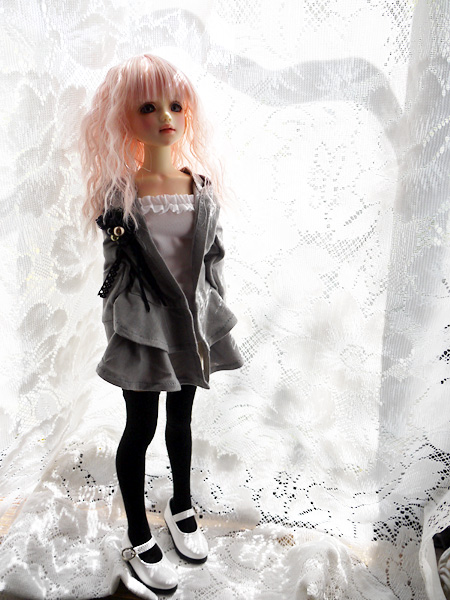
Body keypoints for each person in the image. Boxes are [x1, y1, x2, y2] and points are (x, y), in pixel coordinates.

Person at [78, 54, 243, 595]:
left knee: (182, 420)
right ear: (125, 120)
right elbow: (116, 273)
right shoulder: (121, 194)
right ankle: (136, 532)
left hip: (191, 323)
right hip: (145, 327)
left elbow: (211, 257)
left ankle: (181, 504)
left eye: (175, 105)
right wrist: (121, 325)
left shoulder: (201, 185)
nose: (165, 116)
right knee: (140, 427)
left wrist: (212, 307)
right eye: (148, 107)